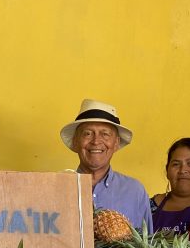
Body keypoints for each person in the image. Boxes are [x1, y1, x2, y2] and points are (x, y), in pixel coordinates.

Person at [60, 99, 154, 231]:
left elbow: (147, 246)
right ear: (75, 142)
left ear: (116, 143)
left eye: (105, 134)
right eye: (88, 133)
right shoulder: (56, 188)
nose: (96, 141)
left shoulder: (135, 191)